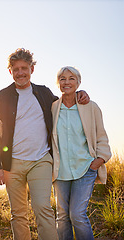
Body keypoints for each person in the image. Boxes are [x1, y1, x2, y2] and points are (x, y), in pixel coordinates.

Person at [0, 48, 89, 240]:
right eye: (16, 68)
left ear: (32, 69)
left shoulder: (43, 93)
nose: (20, 72)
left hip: (40, 160)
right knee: (18, 213)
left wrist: (79, 93)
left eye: (24, 68)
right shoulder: (2, 96)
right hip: (12, 163)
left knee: (43, 207)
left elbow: (64, 103)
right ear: (10, 71)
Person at [52, 66, 111, 240]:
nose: (67, 82)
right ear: (58, 83)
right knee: (62, 217)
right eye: (62, 78)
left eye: (71, 78)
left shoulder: (90, 107)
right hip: (60, 171)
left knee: (77, 214)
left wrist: (98, 161)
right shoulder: (53, 108)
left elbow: (101, 136)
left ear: (78, 82)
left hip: (85, 168)